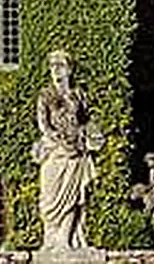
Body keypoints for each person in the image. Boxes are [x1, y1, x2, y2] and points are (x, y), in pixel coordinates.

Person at [32, 49, 103, 251]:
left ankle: (66, 239)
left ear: (69, 69)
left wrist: (90, 135)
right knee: (50, 197)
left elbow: (86, 120)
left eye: (61, 66)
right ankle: (51, 240)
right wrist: (56, 138)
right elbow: (43, 123)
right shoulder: (46, 95)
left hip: (76, 151)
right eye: (53, 66)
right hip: (54, 151)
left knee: (74, 198)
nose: (57, 71)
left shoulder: (79, 95)